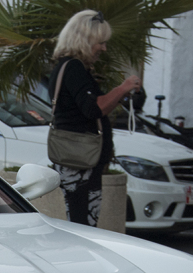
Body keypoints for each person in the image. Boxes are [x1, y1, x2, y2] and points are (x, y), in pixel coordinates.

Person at [49, 9, 140, 227]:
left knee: (80, 221)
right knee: (82, 225)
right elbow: (93, 109)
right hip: (80, 163)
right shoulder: (73, 68)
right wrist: (122, 88)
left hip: (82, 162)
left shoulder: (69, 67)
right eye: (100, 42)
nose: (103, 48)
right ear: (85, 39)